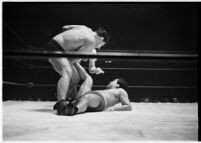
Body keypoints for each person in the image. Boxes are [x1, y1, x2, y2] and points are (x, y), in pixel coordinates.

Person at [45, 25, 109, 115]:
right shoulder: (91, 41)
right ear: (100, 39)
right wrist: (82, 57)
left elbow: (65, 27)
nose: (99, 48)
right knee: (67, 72)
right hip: (56, 49)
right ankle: (61, 103)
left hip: (59, 48)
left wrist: (69, 41)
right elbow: (73, 59)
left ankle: (65, 100)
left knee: (75, 78)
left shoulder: (85, 28)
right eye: (101, 45)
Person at [60, 62, 132, 116]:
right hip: (91, 95)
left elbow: (128, 106)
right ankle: (74, 62)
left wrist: (114, 108)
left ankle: (74, 110)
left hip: (99, 101)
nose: (110, 81)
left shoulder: (121, 91)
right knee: (88, 78)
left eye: (113, 81)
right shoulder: (107, 90)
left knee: (87, 97)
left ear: (117, 85)